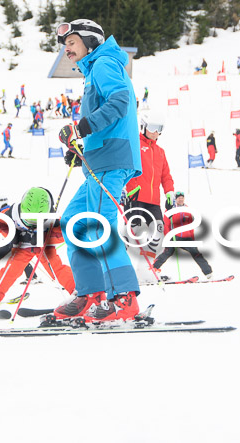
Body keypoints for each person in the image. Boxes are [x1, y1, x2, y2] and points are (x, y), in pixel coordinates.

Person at [54, 19, 142, 322]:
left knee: (97, 225)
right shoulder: (94, 71)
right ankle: (91, 292)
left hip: (114, 158)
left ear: (90, 41)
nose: (67, 50)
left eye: (72, 43)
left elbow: (120, 101)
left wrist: (82, 126)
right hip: (100, 160)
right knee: (73, 222)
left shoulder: (104, 62)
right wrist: (83, 150)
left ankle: (124, 297)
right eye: (65, 46)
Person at [0, 188, 74, 314]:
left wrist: (46, 237)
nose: (31, 225)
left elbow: (62, 235)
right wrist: (14, 236)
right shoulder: (12, 214)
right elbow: (1, 224)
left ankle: (81, 294)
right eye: (28, 221)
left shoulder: (54, 220)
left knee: (57, 269)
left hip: (43, 247)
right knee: (11, 271)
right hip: (23, 247)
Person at [124, 113, 174, 261]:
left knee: (158, 231)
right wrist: (126, 189)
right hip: (135, 197)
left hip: (153, 201)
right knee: (132, 233)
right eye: (152, 128)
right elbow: (124, 168)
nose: (156, 132)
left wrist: (170, 192)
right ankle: (118, 267)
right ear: (144, 126)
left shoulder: (160, 152)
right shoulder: (135, 145)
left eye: (159, 128)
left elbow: (166, 176)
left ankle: (146, 269)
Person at [152, 191, 213, 279]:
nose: (181, 199)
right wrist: (167, 236)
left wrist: (192, 238)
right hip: (174, 237)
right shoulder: (171, 210)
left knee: (196, 253)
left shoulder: (188, 210)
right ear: (175, 199)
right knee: (166, 253)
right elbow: (166, 224)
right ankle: (153, 268)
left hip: (186, 238)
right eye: (179, 198)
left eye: (182, 197)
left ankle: (208, 273)